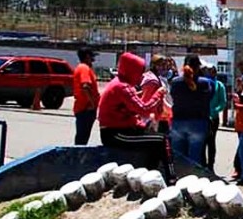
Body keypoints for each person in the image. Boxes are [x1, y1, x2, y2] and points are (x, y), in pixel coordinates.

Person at [98, 52, 175, 181]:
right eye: (139, 72)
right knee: (162, 140)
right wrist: (159, 94)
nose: (141, 76)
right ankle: (170, 178)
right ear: (131, 70)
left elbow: (132, 104)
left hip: (124, 128)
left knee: (156, 140)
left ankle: (150, 174)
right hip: (115, 133)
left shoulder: (122, 84)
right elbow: (144, 109)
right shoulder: (122, 87)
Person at [169, 54, 214, 164]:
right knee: (195, 158)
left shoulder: (175, 82)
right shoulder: (205, 83)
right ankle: (192, 178)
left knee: (178, 157)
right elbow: (209, 98)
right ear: (198, 67)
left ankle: (179, 178)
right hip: (198, 122)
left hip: (178, 121)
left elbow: (173, 97)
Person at [72, 47, 100, 145]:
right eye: (92, 56)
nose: (93, 59)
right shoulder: (84, 68)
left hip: (84, 108)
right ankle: (77, 158)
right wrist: (92, 104)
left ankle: (78, 156)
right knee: (82, 139)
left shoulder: (82, 67)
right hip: (85, 109)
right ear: (87, 56)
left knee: (82, 137)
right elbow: (85, 86)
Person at [140, 55, 173, 134]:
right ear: (154, 65)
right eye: (162, 65)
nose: (165, 67)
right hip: (151, 120)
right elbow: (146, 101)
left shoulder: (157, 78)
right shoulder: (152, 81)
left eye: (166, 65)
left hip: (158, 117)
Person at [205, 64, 227, 171]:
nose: (210, 73)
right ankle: (202, 163)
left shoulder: (219, 86)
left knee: (211, 141)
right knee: (202, 141)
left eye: (212, 71)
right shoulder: (203, 84)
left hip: (213, 118)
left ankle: (211, 164)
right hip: (203, 117)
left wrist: (214, 111)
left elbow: (223, 102)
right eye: (208, 71)